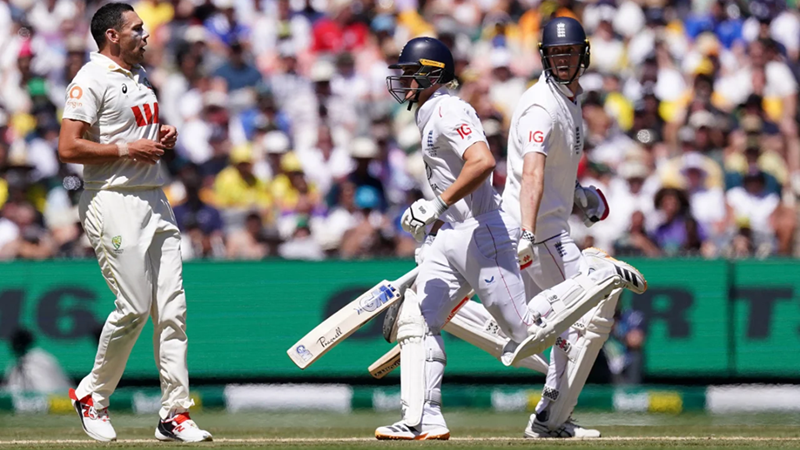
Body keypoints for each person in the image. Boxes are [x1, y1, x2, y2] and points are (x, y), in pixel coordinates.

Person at [375, 36, 644, 441]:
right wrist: (437, 218)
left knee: (528, 334)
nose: (405, 83)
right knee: (418, 318)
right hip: (452, 235)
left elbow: (482, 161)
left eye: (412, 74)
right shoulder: (427, 112)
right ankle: (421, 418)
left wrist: (436, 204)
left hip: (484, 232)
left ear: (434, 74)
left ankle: (597, 276)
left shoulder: (450, 108)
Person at [452, 17, 641, 439]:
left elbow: (548, 170)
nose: (563, 61)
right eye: (556, 54)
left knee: (556, 329)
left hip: (544, 227)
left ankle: (548, 416)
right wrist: (526, 234)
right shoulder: (542, 105)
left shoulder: (567, 101)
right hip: (540, 233)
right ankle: (549, 417)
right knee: (593, 304)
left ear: (583, 56)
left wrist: (580, 194)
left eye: (569, 53)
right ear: (544, 56)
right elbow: (532, 173)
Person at [57, 3, 211, 443]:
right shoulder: (90, 79)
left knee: (173, 311)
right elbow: (69, 147)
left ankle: (174, 413)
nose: (145, 36)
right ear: (112, 36)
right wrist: (127, 149)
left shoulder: (139, 77)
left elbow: (137, 135)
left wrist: (161, 138)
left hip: (153, 198)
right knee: (134, 307)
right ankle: (92, 395)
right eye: (137, 30)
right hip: (111, 200)